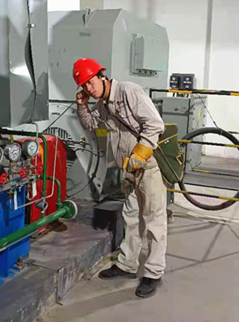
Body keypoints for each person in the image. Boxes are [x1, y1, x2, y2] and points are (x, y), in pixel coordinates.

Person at [73, 57, 167, 298]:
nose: (89, 88)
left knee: (153, 219)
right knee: (131, 216)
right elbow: (91, 125)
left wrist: (140, 155)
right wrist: (82, 105)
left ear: (102, 75)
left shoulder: (128, 91)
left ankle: (154, 273)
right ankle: (127, 264)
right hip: (128, 169)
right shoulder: (102, 105)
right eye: (84, 86)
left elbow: (155, 124)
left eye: (91, 82)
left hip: (147, 165)